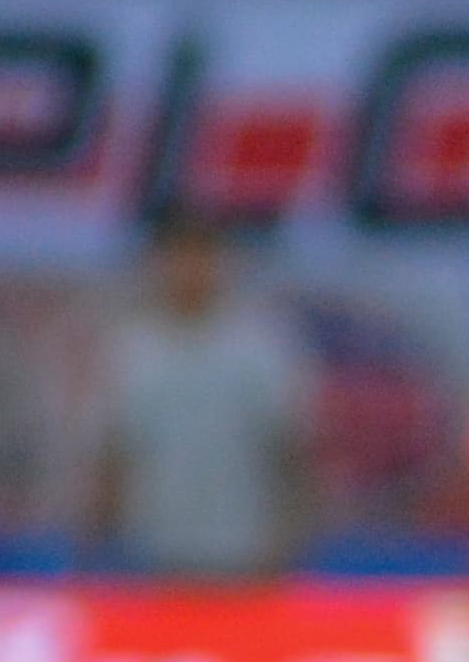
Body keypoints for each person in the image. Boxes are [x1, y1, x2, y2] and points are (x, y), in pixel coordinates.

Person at [92, 218, 311, 580]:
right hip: (154, 557)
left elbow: (290, 452)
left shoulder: (259, 347)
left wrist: (288, 543)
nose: (190, 271)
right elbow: (114, 453)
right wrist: (98, 546)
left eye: (201, 258)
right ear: (159, 264)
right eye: (178, 258)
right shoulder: (132, 349)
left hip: (245, 555)